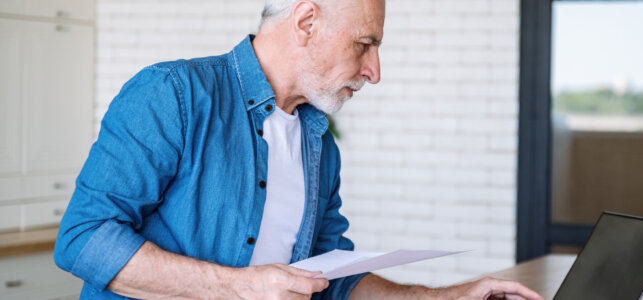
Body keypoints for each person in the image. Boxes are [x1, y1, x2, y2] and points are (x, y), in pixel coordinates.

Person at [54, 0, 544, 299]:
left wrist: (450, 297)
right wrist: (239, 288)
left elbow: (335, 279)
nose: (375, 70)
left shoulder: (318, 144)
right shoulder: (173, 94)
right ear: (306, 22)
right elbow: (84, 238)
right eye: (364, 44)